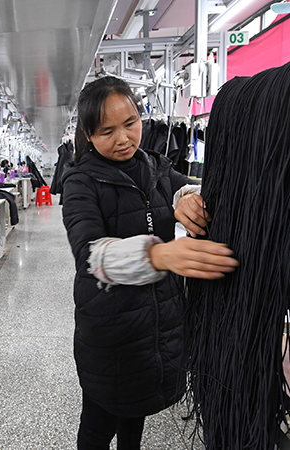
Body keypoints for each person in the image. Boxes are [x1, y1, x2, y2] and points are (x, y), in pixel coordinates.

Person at [61, 77, 239, 450]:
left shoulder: (155, 167)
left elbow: (186, 186)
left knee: (135, 416)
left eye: (130, 123)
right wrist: (159, 254)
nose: (123, 138)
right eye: (107, 131)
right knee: (96, 427)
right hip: (110, 331)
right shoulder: (80, 182)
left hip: (157, 326)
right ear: (88, 135)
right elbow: (89, 254)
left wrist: (188, 198)